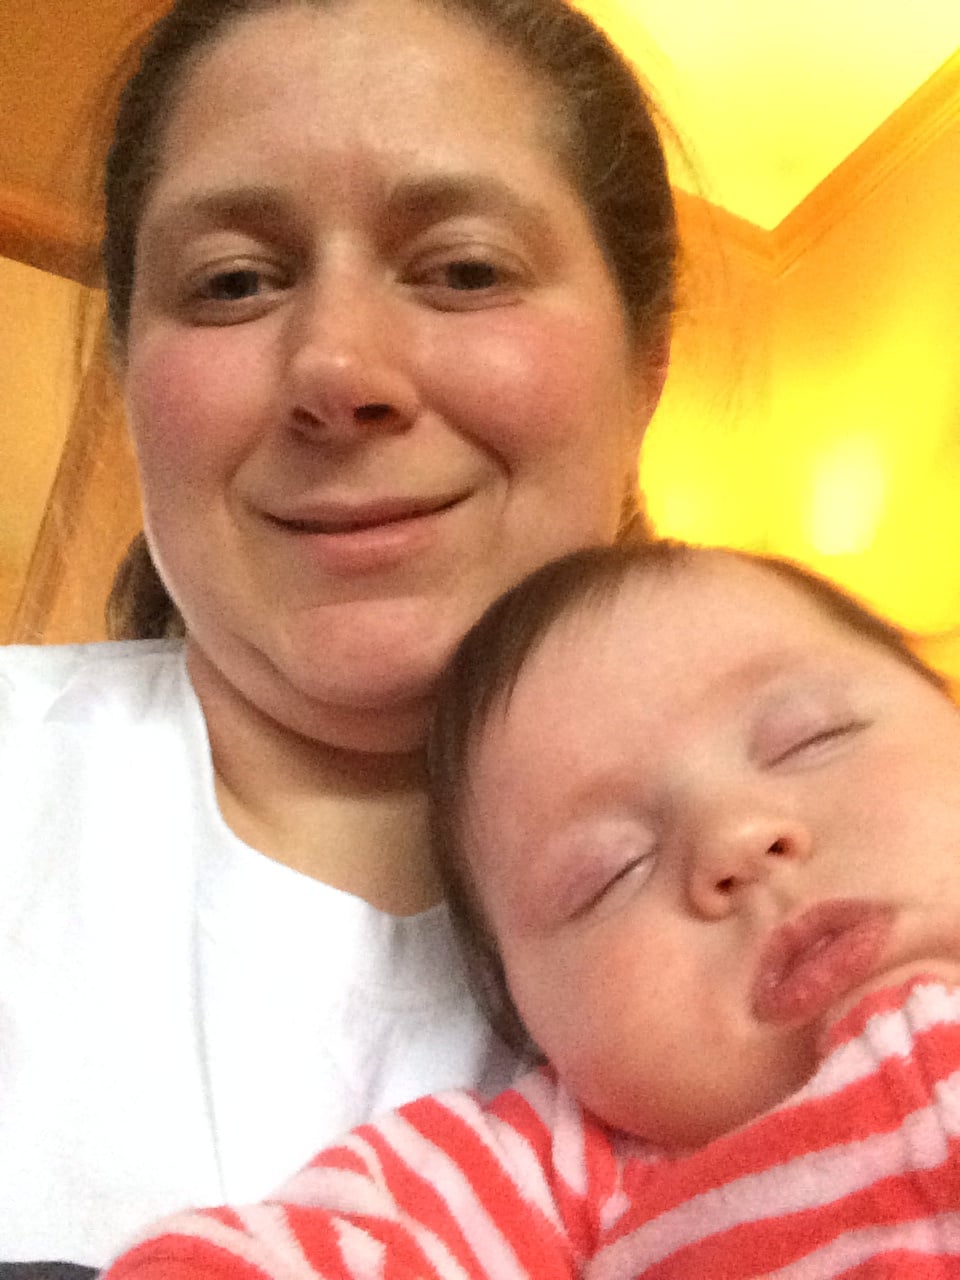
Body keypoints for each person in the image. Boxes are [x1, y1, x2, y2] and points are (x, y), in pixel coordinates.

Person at [0, 0, 677, 1269]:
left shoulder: (865, 872)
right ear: (127, 376)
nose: (338, 369)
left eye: (463, 268)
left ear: (647, 356)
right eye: (235, 282)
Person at [100, 540, 960, 1278]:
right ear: (535, 1021)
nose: (734, 838)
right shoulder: (562, 1170)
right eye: (611, 873)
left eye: (812, 738)